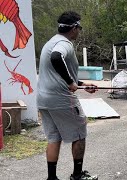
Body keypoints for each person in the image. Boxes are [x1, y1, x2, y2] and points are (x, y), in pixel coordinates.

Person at [37, 11, 98, 180]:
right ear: (73, 28)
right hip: (61, 99)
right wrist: (70, 83)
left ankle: (52, 178)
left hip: (44, 99)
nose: (79, 31)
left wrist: (81, 84)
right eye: (79, 28)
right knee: (79, 133)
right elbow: (57, 58)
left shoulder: (51, 42)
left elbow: (57, 71)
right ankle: (78, 176)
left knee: (53, 138)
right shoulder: (64, 44)